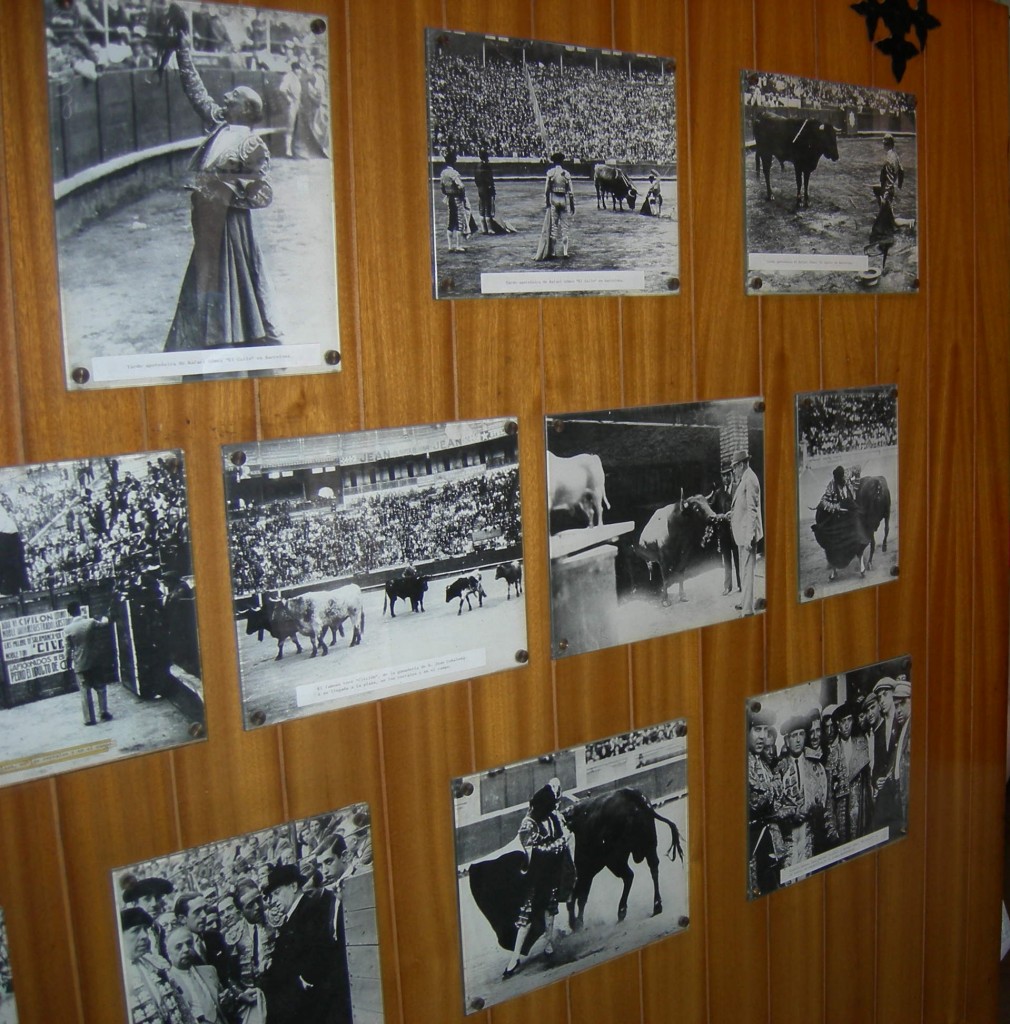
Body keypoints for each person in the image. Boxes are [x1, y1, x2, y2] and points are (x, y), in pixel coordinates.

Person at [163, 19, 282, 352]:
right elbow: (196, 91)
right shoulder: (220, 123)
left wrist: (219, 192)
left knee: (230, 272)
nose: (225, 97)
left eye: (233, 96)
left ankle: (232, 332)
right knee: (209, 271)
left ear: (245, 109)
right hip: (207, 215)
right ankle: (216, 331)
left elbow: (262, 194)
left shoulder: (251, 143)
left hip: (229, 222)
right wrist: (183, 50)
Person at [502, 781, 574, 979]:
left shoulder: (552, 818)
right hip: (534, 877)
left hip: (550, 874)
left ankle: (548, 945)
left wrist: (559, 841)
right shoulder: (529, 823)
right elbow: (528, 850)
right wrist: (558, 843)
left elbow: (561, 839)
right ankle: (515, 958)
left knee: (550, 911)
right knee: (526, 917)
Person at [259, 864, 346, 1024]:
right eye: (272, 896)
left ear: (293, 886)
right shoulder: (299, 912)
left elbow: (318, 956)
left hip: (311, 1003)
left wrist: (303, 979)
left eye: (277, 893)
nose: (274, 901)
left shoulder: (309, 910)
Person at [121, 907, 192, 1024]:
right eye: (136, 931)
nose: (144, 936)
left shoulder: (155, 963)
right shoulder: (115, 976)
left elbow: (182, 1007)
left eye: (145, 929)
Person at [747, 706, 783, 895]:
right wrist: (774, 787)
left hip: (765, 840)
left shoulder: (762, 763)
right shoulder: (744, 762)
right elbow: (754, 802)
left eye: (765, 730)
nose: (762, 736)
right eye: (757, 729)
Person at [63, 600, 113, 726]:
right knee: (100, 687)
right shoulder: (90, 622)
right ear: (80, 610)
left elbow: (67, 650)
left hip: (80, 663)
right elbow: (104, 624)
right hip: (94, 660)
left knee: (85, 690)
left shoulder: (68, 629)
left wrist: (68, 664)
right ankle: (103, 712)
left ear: (69, 614)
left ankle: (89, 719)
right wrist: (106, 617)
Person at [729, 449, 762, 616]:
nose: (733, 470)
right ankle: (744, 602)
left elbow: (752, 510)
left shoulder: (750, 479)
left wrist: (749, 537)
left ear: (741, 465)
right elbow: (742, 506)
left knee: (748, 572)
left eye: (734, 467)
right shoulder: (745, 478)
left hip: (747, 535)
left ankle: (748, 610)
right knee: (743, 570)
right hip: (741, 533)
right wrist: (733, 514)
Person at [535, 152, 574, 261]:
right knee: (565, 227)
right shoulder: (566, 174)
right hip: (563, 200)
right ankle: (565, 252)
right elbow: (571, 193)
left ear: (553, 161)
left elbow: (546, 190)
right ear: (562, 161)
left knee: (554, 227)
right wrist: (572, 205)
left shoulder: (550, 173)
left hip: (554, 200)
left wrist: (547, 202)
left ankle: (552, 251)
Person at [439, 149, 472, 253]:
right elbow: (461, 185)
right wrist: (460, 192)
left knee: (451, 222)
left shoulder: (443, 173)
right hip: (457, 198)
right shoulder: (454, 173)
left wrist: (448, 193)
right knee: (459, 221)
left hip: (449, 198)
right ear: (453, 161)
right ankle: (458, 246)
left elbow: (442, 188)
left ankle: (449, 246)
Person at [474, 149, 496, 234]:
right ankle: (489, 229)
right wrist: (492, 190)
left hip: (480, 189)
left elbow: (476, 179)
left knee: (482, 208)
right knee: (488, 208)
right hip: (487, 189)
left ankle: (483, 228)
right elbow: (489, 180)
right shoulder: (486, 167)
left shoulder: (477, 167)